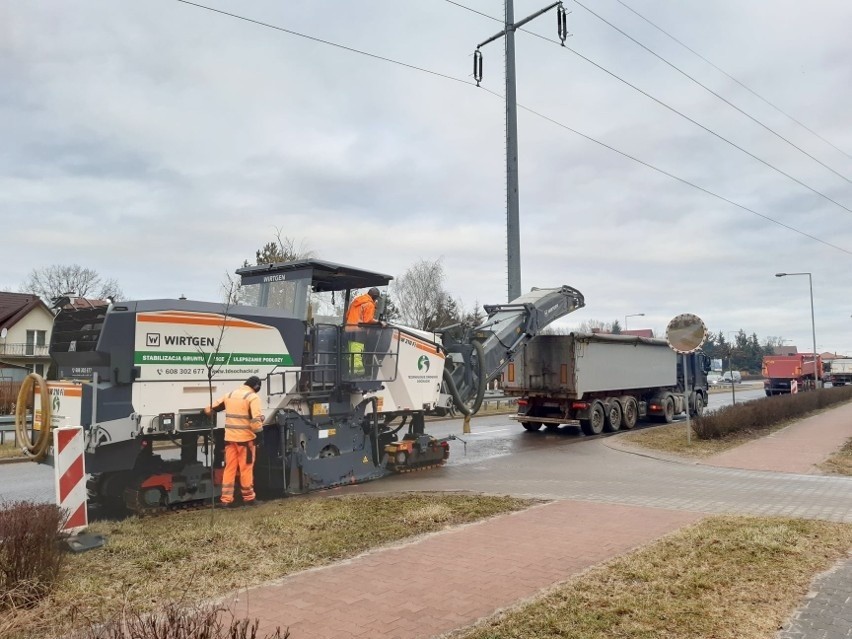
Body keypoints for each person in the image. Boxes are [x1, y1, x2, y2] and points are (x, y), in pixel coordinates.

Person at [204, 376, 265, 507]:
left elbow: (209, 409)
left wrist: (205, 413)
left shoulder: (230, 395)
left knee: (229, 469)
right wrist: (260, 436)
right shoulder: (252, 397)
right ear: (256, 387)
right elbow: (255, 421)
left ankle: (226, 500)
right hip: (246, 441)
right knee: (246, 469)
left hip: (230, 440)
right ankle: (249, 498)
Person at [345, 288, 381, 374]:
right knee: (357, 353)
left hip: (348, 329)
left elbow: (347, 315)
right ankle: (357, 375)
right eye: (376, 298)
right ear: (374, 297)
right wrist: (379, 322)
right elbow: (368, 320)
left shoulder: (356, 301)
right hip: (359, 331)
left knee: (350, 352)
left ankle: (349, 371)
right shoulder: (369, 304)